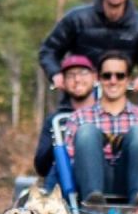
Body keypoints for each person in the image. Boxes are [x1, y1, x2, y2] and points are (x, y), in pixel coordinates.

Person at [63, 50, 138, 205]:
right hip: (90, 179)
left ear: (128, 79)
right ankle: (93, 201)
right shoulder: (78, 118)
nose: (113, 81)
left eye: (120, 75)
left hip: (133, 178)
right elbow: (71, 162)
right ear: (98, 78)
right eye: (107, 75)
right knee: (87, 131)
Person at [33, 54, 97, 191]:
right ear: (63, 82)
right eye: (70, 75)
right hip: (64, 183)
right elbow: (41, 167)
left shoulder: (107, 116)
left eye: (83, 73)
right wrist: (59, 140)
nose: (77, 79)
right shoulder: (56, 120)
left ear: (94, 77)